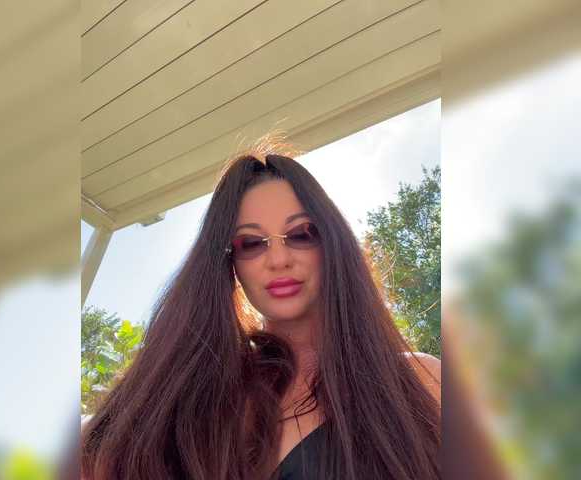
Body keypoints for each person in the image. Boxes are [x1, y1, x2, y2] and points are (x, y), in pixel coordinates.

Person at [81, 139, 441, 480]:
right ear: (230, 263)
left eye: (301, 234)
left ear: (332, 243)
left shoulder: (421, 382)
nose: (279, 259)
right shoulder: (199, 395)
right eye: (251, 242)